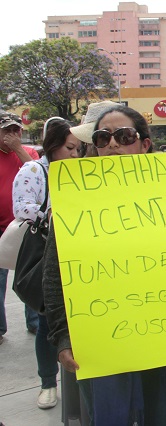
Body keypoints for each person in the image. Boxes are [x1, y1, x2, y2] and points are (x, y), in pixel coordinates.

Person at [43, 105, 166, 425]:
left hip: (163, 335)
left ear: (144, 143)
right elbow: (54, 275)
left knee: (159, 415)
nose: (112, 144)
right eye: (102, 137)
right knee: (108, 416)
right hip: (101, 337)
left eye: (123, 136)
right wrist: (62, 336)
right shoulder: (74, 198)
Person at [12, 117, 80, 409]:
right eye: (69, 148)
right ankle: (47, 383)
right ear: (53, 146)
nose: (75, 155)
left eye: (79, 149)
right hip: (45, 253)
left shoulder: (82, 171)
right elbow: (21, 207)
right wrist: (52, 215)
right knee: (45, 320)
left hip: (77, 255)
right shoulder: (34, 170)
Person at [0, 111, 40, 346]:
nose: (12, 135)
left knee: (30, 276)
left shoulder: (29, 154)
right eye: (7, 131)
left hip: (25, 227)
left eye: (16, 131)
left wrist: (18, 149)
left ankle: (34, 322)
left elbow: (38, 173)